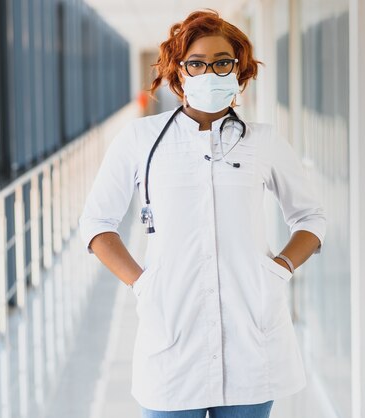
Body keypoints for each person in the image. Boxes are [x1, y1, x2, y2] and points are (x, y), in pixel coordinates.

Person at [78, 9, 326, 418]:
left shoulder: (263, 142)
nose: (209, 72)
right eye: (197, 63)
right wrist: (143, 285)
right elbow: (97, 224)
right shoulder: (140, 139)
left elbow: (311, 218)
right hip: (171, 339)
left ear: (239, 70)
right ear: (179, 71)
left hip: (252, 340)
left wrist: (280, 268)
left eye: (222, 62)